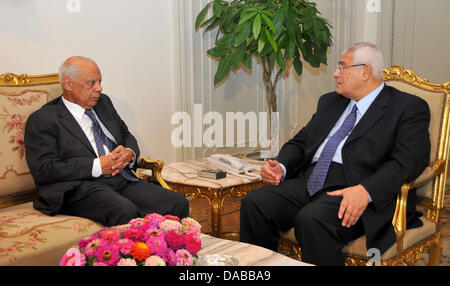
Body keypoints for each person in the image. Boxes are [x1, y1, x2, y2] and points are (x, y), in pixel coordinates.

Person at [240, 43, 430, 265]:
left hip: (356, 189)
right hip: (311, 179)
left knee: (312, 220)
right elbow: (301, 142)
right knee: (255, 203)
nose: (335, 73)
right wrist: (281, 166)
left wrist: (366, 191)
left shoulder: (407, 107)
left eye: (342, 67)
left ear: (365, 71)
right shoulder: (330, 101)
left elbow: (408, 161)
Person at [24, 56, 189, 226]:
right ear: (68, 84)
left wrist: (129, 153)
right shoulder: (43, 119)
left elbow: (126, 134)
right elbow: (43, 169)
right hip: (80, 187)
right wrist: (97, 166)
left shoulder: (103, 103)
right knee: (125, 211)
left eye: (100, 81)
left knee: (176, 202)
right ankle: (140, 252)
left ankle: (169, 252)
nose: (99, 88)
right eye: (91, 83)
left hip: (120, 179)